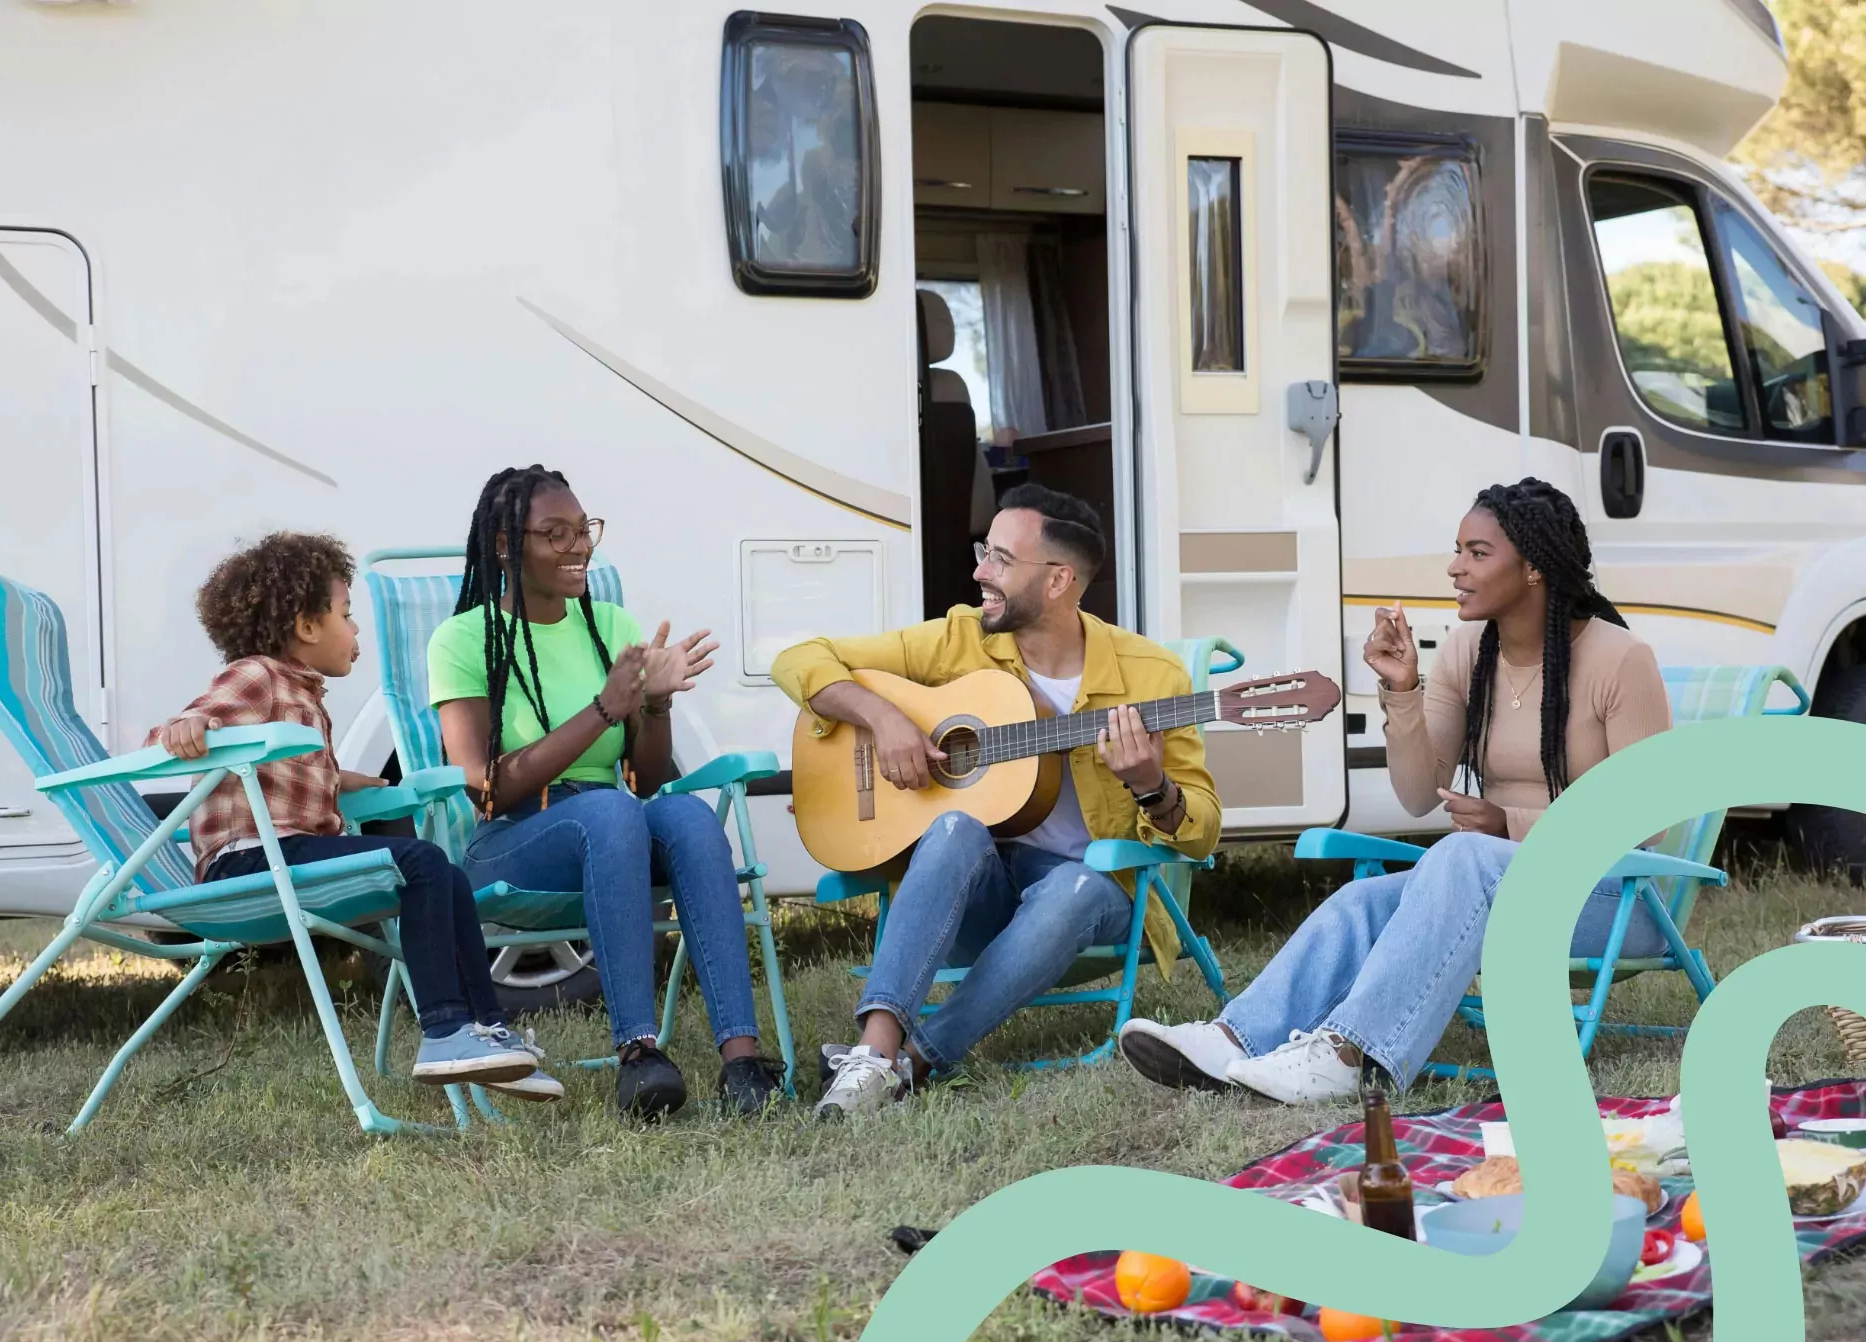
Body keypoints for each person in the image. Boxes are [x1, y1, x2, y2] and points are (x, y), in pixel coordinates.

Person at [1118, 478, 1672, 1105]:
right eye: (1457, 549)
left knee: (1462, 856)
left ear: (1536, 568)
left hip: (1611, 898)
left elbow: (1644, 824)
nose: (1455, 567)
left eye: (1477, 553)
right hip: (1502, 888)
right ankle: (1233, 1038)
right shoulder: (1470, 652)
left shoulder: (1620, 660)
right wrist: (1402, 691)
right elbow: (1416, 795)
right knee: (1363, 901)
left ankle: (1348, 1054)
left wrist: (1508, 823)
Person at [771, 483, 1223, 1118]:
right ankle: (875, 1052)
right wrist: (882, 717)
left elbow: (1201, 834)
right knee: (955, 825)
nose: (980, 571)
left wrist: (1152, 785)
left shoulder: (1152, 678)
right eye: (985, 551)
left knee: (1083, 884)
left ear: (1059, 580)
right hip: (971, 893)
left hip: (1083, 903)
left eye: (1000, 560)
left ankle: (918, 1061)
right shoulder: (962, 641)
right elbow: (797, 659)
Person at [150, 532, 561, 1101]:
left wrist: (342, 781)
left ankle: (485, 1032)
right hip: (248, 863)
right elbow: (198, 719)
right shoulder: (258, 676)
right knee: (422, 863)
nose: (356, 628)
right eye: (346, 613)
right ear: (306, 626)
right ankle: (445, 1031)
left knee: (445, 875)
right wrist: (187, 729)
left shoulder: (305, 696)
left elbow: (283, 772)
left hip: (286, 857)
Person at [428, 465, 784, 1119]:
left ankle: (742, 1062)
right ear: (507, 546)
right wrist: (601, 709)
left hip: (609, 820)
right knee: (611, 812)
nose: (579, 546)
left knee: (686, 816)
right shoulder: (462, 640)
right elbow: (485, 789)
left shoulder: (609, 623)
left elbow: (646, 779)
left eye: (583, 529)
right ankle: (639, 1055)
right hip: (511, 840)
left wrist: (654, 705)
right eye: (554, 533)